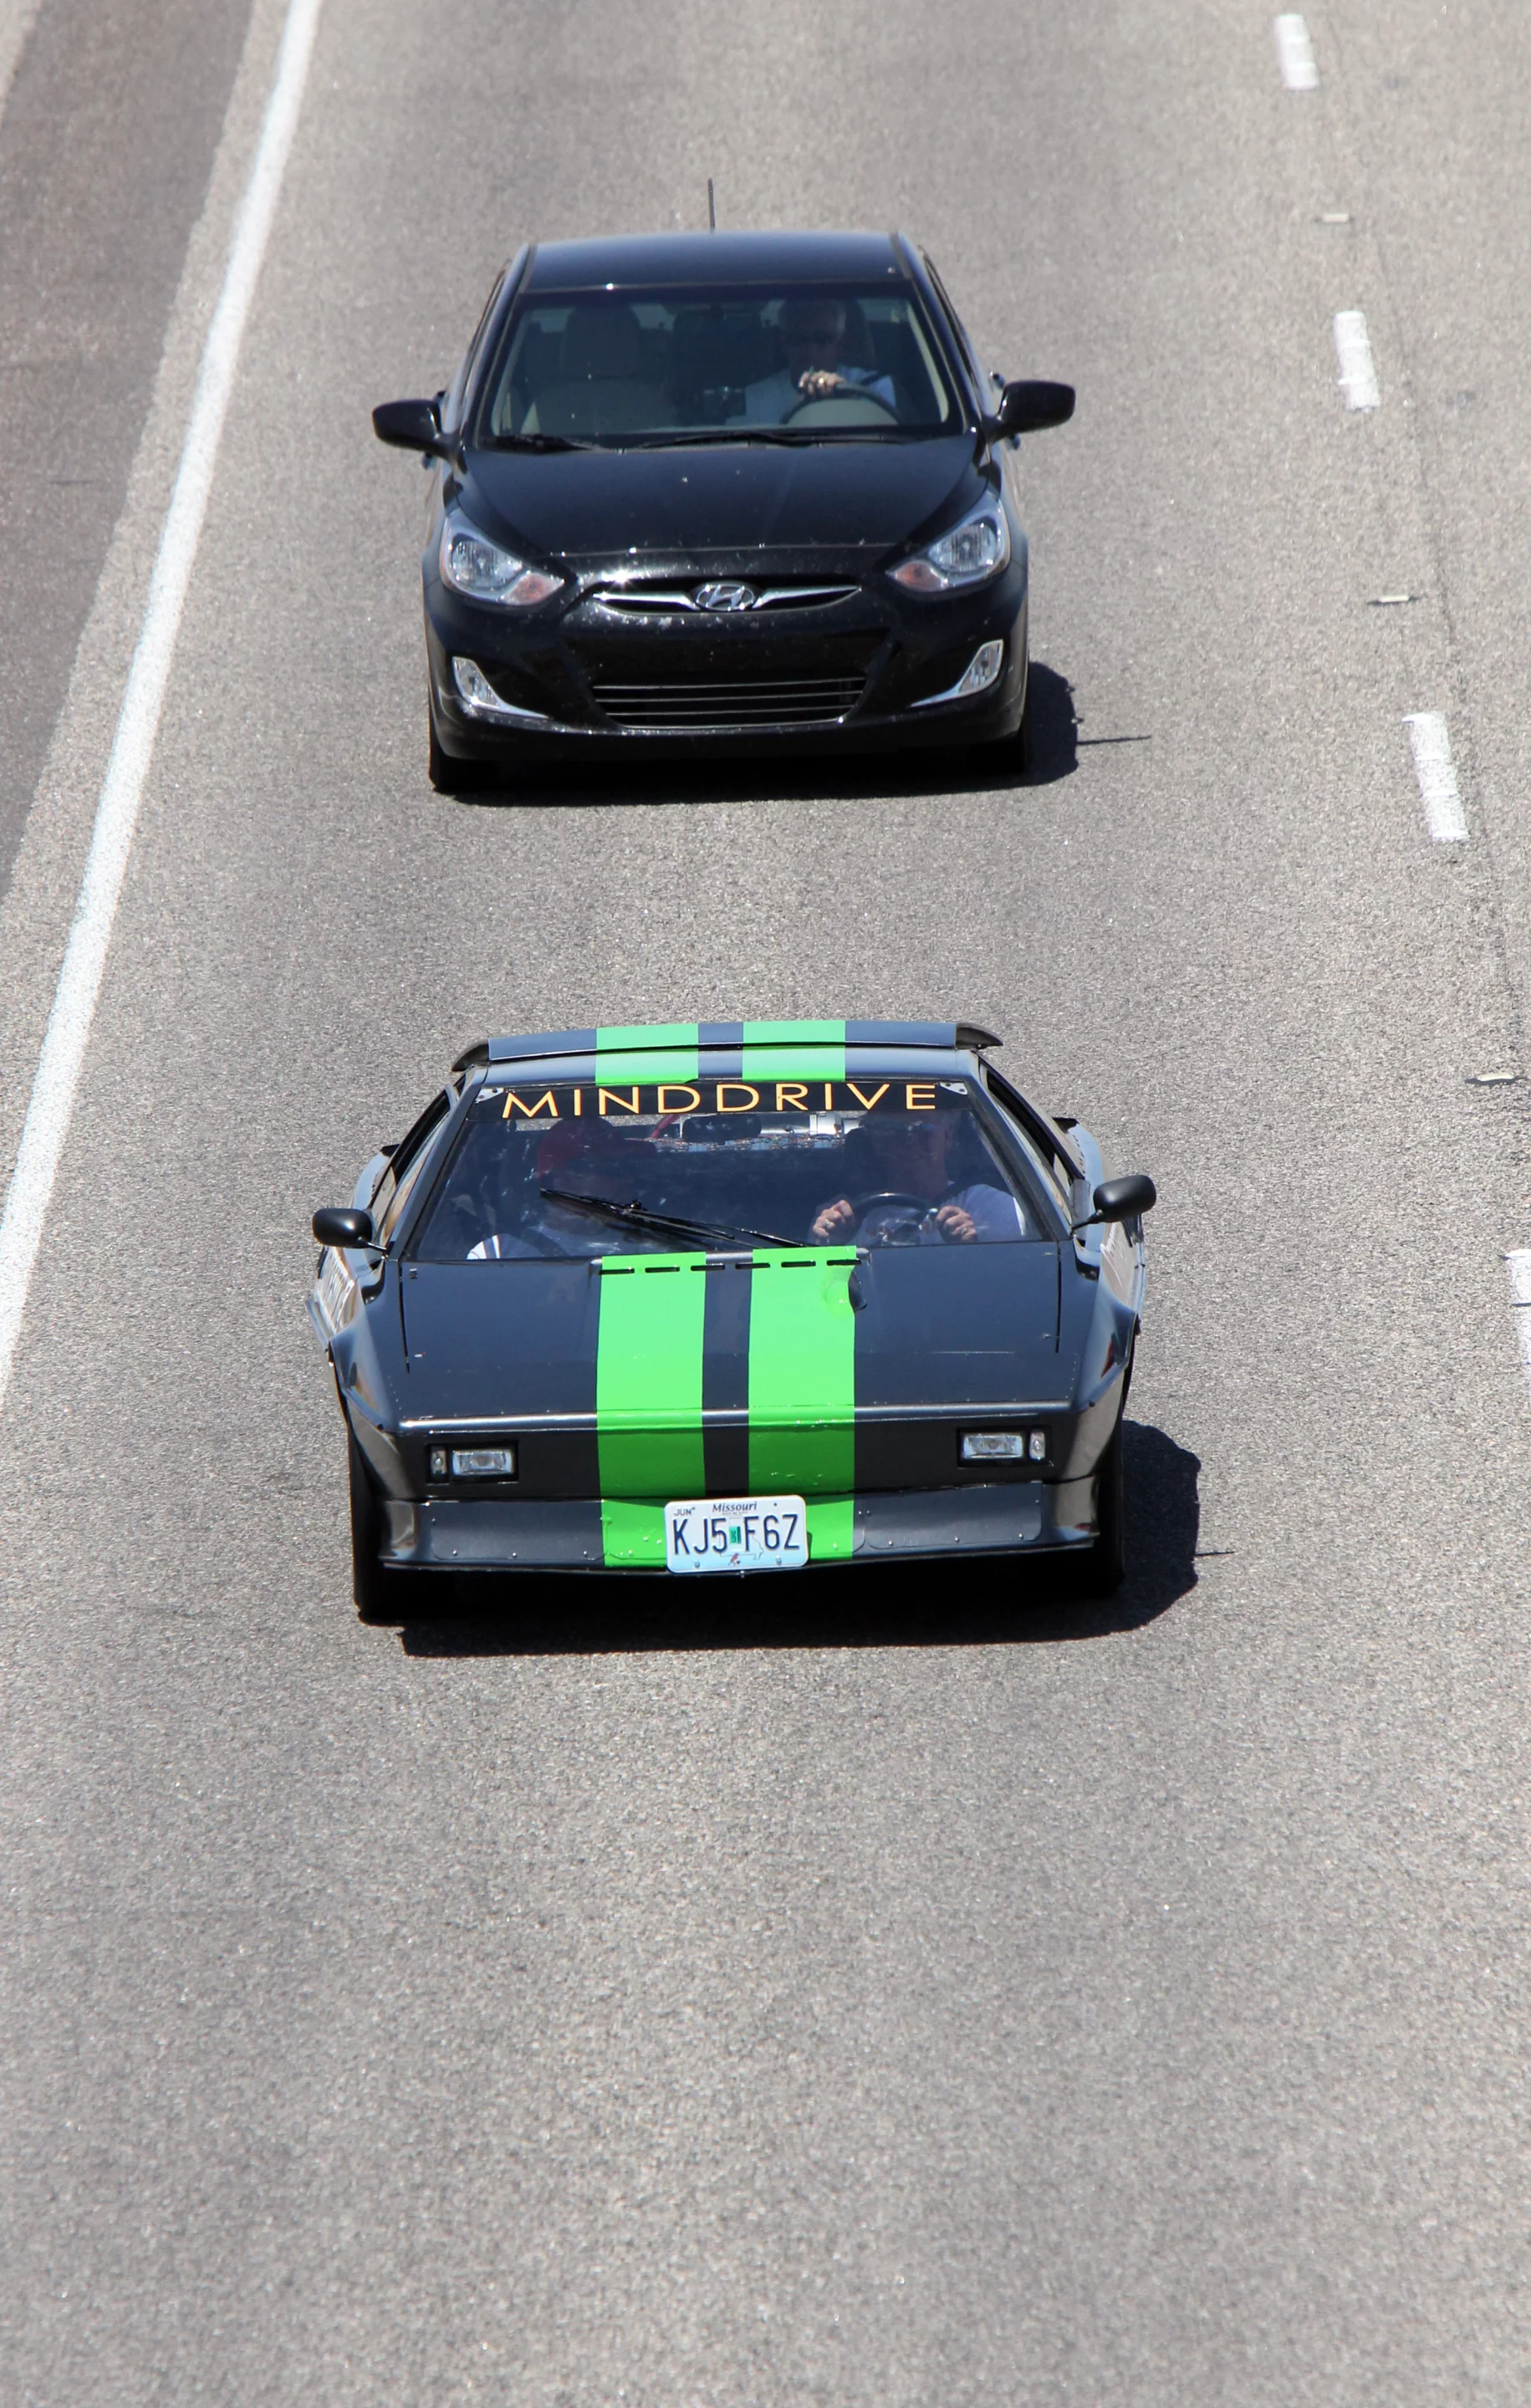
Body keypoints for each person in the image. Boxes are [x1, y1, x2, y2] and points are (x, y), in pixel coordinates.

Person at [809, 1112, 1027, 1245]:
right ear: (876, 1143)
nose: (909, 1141)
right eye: (894, 1131)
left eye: (922, 1129)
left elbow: (1018, 1276)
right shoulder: (844, 1214)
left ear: (947, 1136)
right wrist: (828, 1241)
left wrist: (972, 1246)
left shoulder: (988, 1207)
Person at [744, 296, 897, 424]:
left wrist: (850, 402)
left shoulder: (874, 387)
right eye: (799, 339)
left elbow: (884, 446)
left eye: (822, 339)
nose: (810, 351)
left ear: (840, 345)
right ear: (784, 343)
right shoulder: (757, 398)